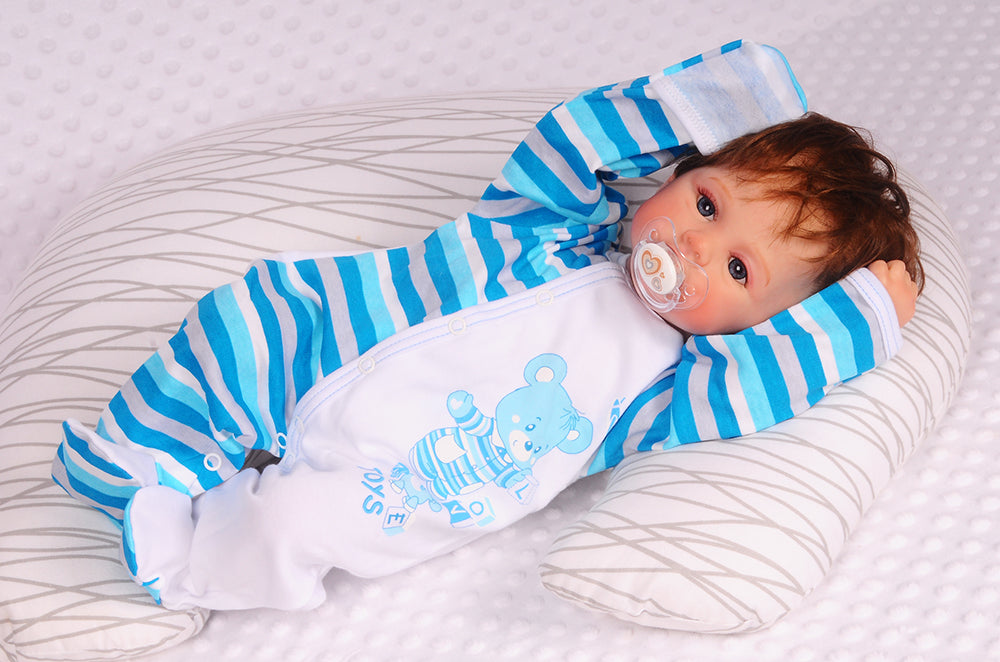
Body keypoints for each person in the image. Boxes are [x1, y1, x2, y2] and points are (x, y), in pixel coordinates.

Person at [51, 40, 921, 611]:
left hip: (406, 481)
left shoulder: (669, 390)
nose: (694, 246)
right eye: (705, 202)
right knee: (241, 320)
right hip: (326, 344)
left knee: (293, 528)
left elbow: (768, 380)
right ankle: (141, 464)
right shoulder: (541, 226)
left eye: (738, 270)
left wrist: (863, 318)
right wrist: (725, 103)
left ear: (767, 320)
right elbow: (573, 138)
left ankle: (185, 567)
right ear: (674, 173)